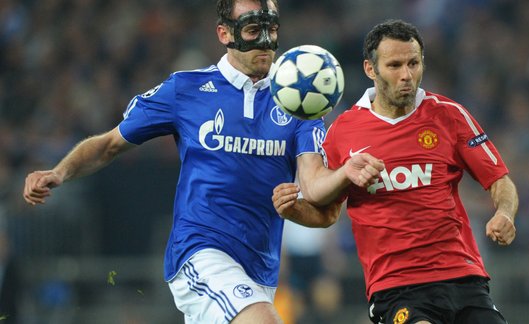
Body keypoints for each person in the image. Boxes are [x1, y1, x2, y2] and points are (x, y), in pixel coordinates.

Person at [22, 1, 382, 323]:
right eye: (253, 30)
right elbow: (110, 144)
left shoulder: (298, 103)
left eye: (271, 30)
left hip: (259, 268)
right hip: (200, 252)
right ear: (224, 33)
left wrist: (343, 175)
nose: (265, 41)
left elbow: (314, 187)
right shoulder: (186, 90)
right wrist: (59, 171)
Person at [272, 19, 519, 324]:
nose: (406, 75)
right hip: (396, 286)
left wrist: (505, 213)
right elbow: (328, 214)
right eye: (395, 65)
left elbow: (499, 180)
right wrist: (294, 210)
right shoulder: (343, 132)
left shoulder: (448, 115)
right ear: (370, 69)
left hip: (463, 276)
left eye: (414, 63)